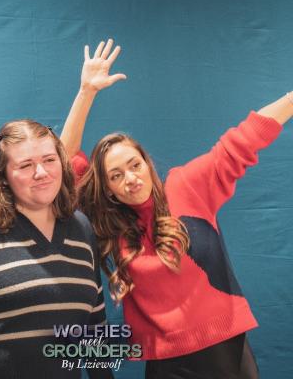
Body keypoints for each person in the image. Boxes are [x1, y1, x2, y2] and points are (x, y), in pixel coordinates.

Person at [60, 39, 293, 378]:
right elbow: (64, 164)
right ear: (107, 187)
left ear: (147, 163)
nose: (131, 179)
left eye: (134, 165)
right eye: (116, 175)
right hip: (165, 360)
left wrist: (291, 100)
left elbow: (245, 139)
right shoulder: (110, 224)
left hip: (224, 349)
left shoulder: (186, 185)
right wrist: (86, 92)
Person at [0, 120, 112, 378]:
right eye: (25, 165)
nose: (41, 172)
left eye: (49, 160)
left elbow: (94, 329)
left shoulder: (82, 228)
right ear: (2, 176)